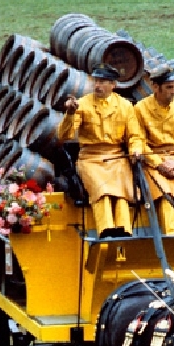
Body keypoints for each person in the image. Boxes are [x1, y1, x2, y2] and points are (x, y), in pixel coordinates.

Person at [56, 64, 139, 236]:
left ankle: (124, 229)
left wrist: (136, 150)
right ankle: (105, 229)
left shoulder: (125, 106)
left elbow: (134, 136)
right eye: (96, 81)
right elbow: (64, 135)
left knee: (121, 192)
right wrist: (70, 114)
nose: (97, 85)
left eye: (102, 82)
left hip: (117, 157)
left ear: (113, 85)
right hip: (90, 158)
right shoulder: (83, 104)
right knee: (102, 190)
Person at [132, 63, 174, 235]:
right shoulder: (140, 108)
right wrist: (158, 163)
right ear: (155, 87)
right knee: (164, 196)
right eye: (169, 87)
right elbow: (139, 140)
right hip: (153, 162)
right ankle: (170, 235)